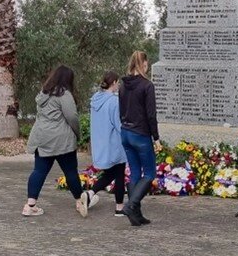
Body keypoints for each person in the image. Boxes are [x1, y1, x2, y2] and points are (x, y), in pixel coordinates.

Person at [23, 65, 88, 218]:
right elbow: (72, 117)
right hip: (62, 140)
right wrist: (78, 134)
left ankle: (30, 205)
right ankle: (80, 200)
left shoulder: (43, 94)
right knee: (70, 171)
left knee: (39, 171)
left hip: (42, 138)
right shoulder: (64, 95)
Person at [119, 50, 160, 227]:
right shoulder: (147, 85)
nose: (148, 67)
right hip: (141, 134)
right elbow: (151, 115)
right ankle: (131, 205)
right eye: (147, 64)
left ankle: (136, 214)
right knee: (150, 173)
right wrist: (156, 138)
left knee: (135, 173)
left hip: (125, 133)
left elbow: (121, 110)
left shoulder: (122, 85)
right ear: (143, 64)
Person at [83, 70, 127, 216]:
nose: (119, 85)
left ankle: (91, 193)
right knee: (119, 172)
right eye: (118, 82)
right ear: (113, 83)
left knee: (110, 173)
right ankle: (119, 208)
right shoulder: (113, 101)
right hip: (114, 142)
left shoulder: (95, 99)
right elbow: (118, 123)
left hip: (100, 141)